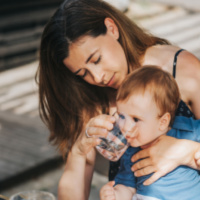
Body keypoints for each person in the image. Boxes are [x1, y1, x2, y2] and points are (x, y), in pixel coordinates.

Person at [36, 0, 200, 199]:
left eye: (96, 59)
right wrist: (79, 151)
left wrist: (186, 151)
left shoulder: (182, 71)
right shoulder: (91, 95)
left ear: (112, 29)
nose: (97, 77)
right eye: (82, 73)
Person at [100, 66, 200, 200]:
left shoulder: (187, 130)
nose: (125, 126)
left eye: (136, 119)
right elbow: (127, 186)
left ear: (163, 122)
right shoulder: (130, 151)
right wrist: (115, 194)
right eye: (122, 116)